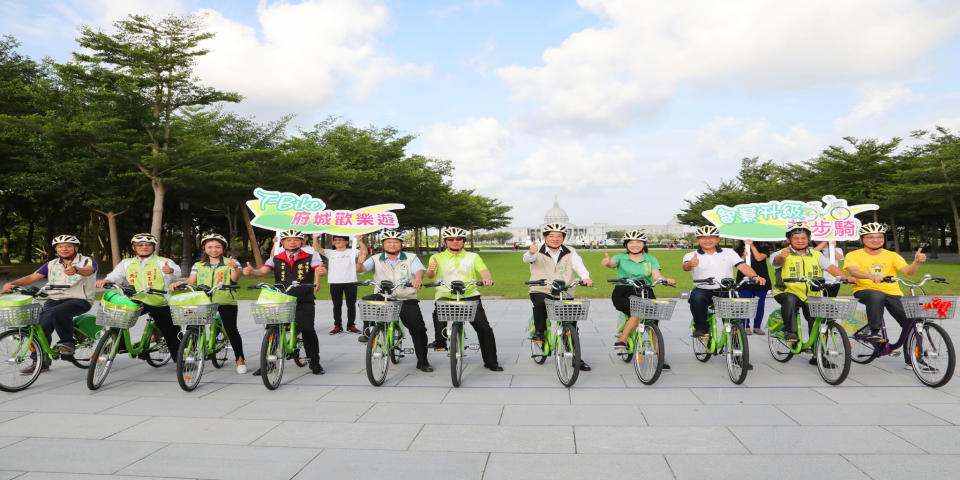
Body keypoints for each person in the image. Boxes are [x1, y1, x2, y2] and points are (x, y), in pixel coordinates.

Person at [2, 235, 97, 372]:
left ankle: (67, 343)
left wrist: (76, 269)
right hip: (54, 299)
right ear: (56, 249)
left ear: (76, 248)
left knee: (59, 312)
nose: (63, 249)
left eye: (68, 246)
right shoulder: (51, 264)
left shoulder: (86, 260)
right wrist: (12, 283)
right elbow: (32, 277)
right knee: (41, 326)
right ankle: (40, 362)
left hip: (80, 299)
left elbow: (89, 270)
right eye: (60, 246)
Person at [843, 222, 928, 369]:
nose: (875, 240)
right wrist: (870, 276)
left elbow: (909, 271)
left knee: (913, 321)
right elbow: (854, 271)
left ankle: (915, 360)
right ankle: (875, 332)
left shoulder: (891, 255)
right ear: (862, 239)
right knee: (877, 296)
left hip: (892, 292)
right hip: (865, 290)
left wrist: (916, 262)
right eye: (870, 237)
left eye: (879, 237)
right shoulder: (853, 255)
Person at [243, 229, 327, 375]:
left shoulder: (311, 256)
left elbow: (320, 268)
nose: (292, 241)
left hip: (304, 298)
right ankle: (269, 363)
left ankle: (314, 362)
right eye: (288, 239)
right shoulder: (276, 257)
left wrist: (321, 272)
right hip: (281, 298)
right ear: (282, 242)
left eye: (296, 239)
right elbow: (263, 271)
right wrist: (252, 272)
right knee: (272, 328)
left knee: (307, 330)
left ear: (302, 241)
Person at [425, 227, 502, 371]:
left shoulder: (473, 257)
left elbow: (484, 271)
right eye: (451, 239)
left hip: (469, 294)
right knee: (438, 312)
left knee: (484, 328)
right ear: (446, 242)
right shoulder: (437, 257)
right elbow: (430, 276)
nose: (455, 242)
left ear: (463, 241)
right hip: (446, 293)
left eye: (458, 239)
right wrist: (430, 269)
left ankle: (491, 361)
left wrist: (487, 278)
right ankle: (440, 342)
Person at [771, 223, 849, 365]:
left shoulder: (817, 255)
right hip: (787, 291)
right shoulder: (781, 253)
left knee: (817, 321)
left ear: (809, 239)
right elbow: (777, 262)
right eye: (796, 238)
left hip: (812, 294)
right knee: (790, 300)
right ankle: (791, 332)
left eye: (803, 238)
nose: (800, 240)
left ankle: (818, 356)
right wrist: (782, 257)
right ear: (789, 240)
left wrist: (845, 278)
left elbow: (831, 268)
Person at [355, 230, 433, 372]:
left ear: (401, 244)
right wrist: (359, 262)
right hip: (384, 296)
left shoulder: (411, 257)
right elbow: (361, 270)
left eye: (396, 242)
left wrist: (417, 279)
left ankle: (423, 361)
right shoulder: (376, 258)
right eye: (389, 242)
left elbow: (419, 271)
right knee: (367, 301)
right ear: (384, 244)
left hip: (406, 298)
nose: (392, 244)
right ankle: (368, 333)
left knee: (418, 329)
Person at [169, 234, 246, 374]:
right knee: (193, 325)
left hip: (225, 300)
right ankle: (192, 351)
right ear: (205, 249)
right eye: (210, 247)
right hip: (203, 301)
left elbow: (235, 279)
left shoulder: (231, 262)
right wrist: (179, 283)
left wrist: (234, 268)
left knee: (231, 330)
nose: (214, 250)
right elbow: (191, 280)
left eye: (217, 247)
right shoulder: (198, 265)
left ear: (223, 249)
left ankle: (240, 359)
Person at [96, 233, 181, 358]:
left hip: (159, 300)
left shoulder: (163, 262)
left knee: (168, 328)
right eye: (140, 245)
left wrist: (171, 271)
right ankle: (120, 344)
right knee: (118, 314)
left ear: (154, 247)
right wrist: (106, 280)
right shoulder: (127, 263)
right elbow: (115, 276)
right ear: (134, 248)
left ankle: (180, 357)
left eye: (148, 244)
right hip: (136, 298)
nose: (144, 247)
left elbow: (177, 273)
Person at [524, 223, 594, 371]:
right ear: (545, 237)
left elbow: (579, 266)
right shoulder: (537, 250)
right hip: (541, 288)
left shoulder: (570, 251)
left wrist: (586, 277)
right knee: (541, 303)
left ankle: (575, 357)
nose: (555, 239)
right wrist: (531, 253)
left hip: (564, 290)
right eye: (551, 236)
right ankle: (539, 333)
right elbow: (528, 258)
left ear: (563, 238)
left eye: (559, 236)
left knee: (571, 323)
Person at [602, 230, 675, 370]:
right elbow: (612, 263)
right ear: (626, 244)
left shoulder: (650, 259)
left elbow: (656, 275)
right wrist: (607, 262)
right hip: (623, 291)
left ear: (644, 244)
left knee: (653, 324)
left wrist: (664, 280)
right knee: (639, 311)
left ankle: (661, 357)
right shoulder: (620, 257)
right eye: (631, 242)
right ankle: (622, 339)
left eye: (638, 242)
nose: (635, 245)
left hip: (645, 290)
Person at [682, 225, 767, 338]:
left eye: (712, 237)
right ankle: (701, 328)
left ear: (718, 239)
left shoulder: (728, 252)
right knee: (696, 298)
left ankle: (735, 341)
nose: (708, 240)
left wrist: (755, 276)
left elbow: (742, 266)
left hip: (726, 290)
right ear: (698, 240)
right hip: (703, 290)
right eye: (703, 237)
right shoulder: (691, 255)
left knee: (733, 318)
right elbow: (685, 267)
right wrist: (690, 264)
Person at [313, 234, 361, 335]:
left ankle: (351, 325)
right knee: (337, 306)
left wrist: (359, 241)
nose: (337, 241)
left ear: (346, 242)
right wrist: (315, 237)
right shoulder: (330, 252)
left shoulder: (352, 252)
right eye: (335, 240)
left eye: (340, 240)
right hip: (335, 282)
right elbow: (316, 248)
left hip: (350, 282)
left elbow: (363, 252)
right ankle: (337, 326)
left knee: (351, 305)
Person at [735, 239, 771, 335]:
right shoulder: (738, 249)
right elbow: (737, 264)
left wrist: (752, 246)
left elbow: (759, 258)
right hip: (744, 281)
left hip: (761, 279)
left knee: (759, 304)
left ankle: (757, 327)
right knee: (745, 303)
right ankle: (745, 326)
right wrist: (743, 255)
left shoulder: (764, 247)